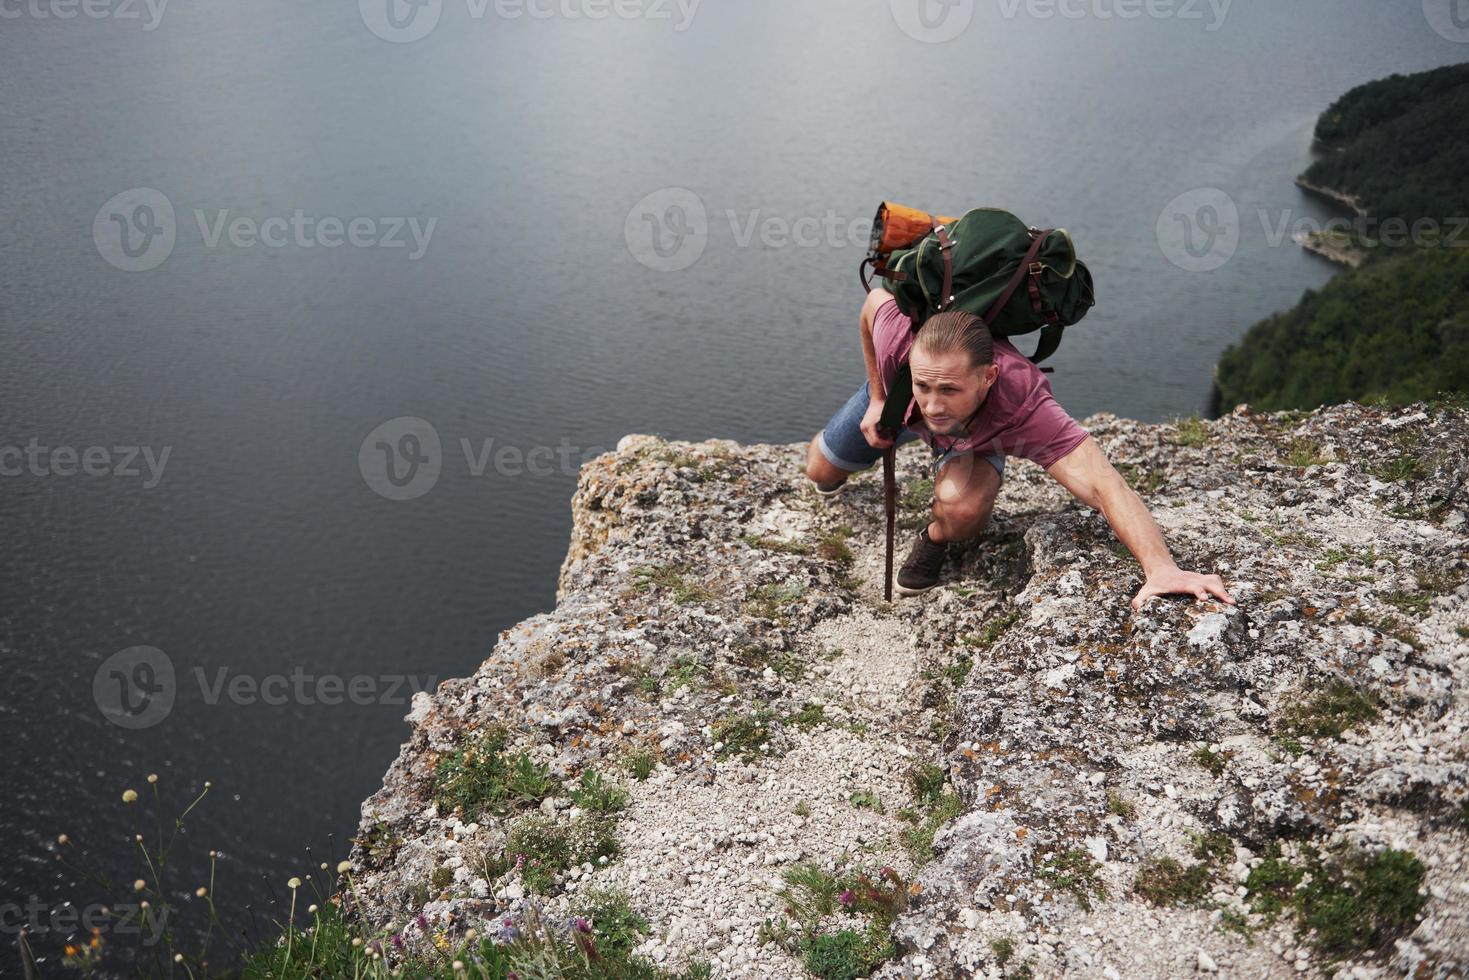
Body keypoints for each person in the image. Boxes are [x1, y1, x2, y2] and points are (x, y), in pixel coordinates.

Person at [804, 287, 1236, 610]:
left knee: (960, 509)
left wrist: (1161, 568)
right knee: (820, 473)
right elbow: (871, 303)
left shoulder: (1023, 405)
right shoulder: (897, 336)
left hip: (975, 441)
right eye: (925, 385)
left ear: (988, 377)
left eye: (950, 389)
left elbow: (1104, 484)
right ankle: (900, 405)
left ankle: (934, 539)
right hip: (892, 407)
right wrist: (881, 396)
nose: (933, 405)